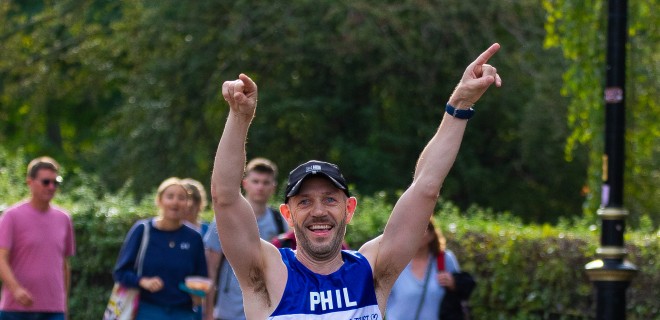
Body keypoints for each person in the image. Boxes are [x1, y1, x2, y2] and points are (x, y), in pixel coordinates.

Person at [211, 43, 502, 319]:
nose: (319, 211)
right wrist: (239, 117)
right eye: (305, 201)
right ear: (287, 214)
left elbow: (426, 187)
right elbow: (225, 198)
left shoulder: (370, 270)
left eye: (329, 199)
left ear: (349, 208)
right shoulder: (269, 270)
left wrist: (460, 103)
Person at [203, 158, 288, 320]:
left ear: (273, 187)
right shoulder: (225, 219)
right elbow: (211, 268)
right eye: (255, 181)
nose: (260, 187)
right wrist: (208, 311)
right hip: (228, 310)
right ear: (245, 183)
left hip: (267, 311)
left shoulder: (280, 221)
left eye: (265, 182)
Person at [113, 177, 208, 320]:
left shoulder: (194, 237)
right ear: (159, 200)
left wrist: (198, 291)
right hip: (146, 310)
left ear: (187, 204)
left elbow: (201, 277)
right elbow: (120, 273)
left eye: (181, 198)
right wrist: (142, 281)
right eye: (170, 196)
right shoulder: (143, 230)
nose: (175, 202)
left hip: (184, 313)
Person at [0, 156, 76, 320]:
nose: (51, 187)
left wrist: (64, 304)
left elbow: (64, 264)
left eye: (55, 182)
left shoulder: (64, 219)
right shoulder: (12, 216)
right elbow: (1, 258)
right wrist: (16, 289)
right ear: (30, 182)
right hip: (16, 310)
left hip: (53, 309)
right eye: (46, 182)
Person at [386, 220, 460, 320]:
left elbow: (462, 291)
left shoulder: (444, 259)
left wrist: (454, 283)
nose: (415, 233)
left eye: (422, 229)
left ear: (431, 235)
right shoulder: (393, 260)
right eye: (410, 229)